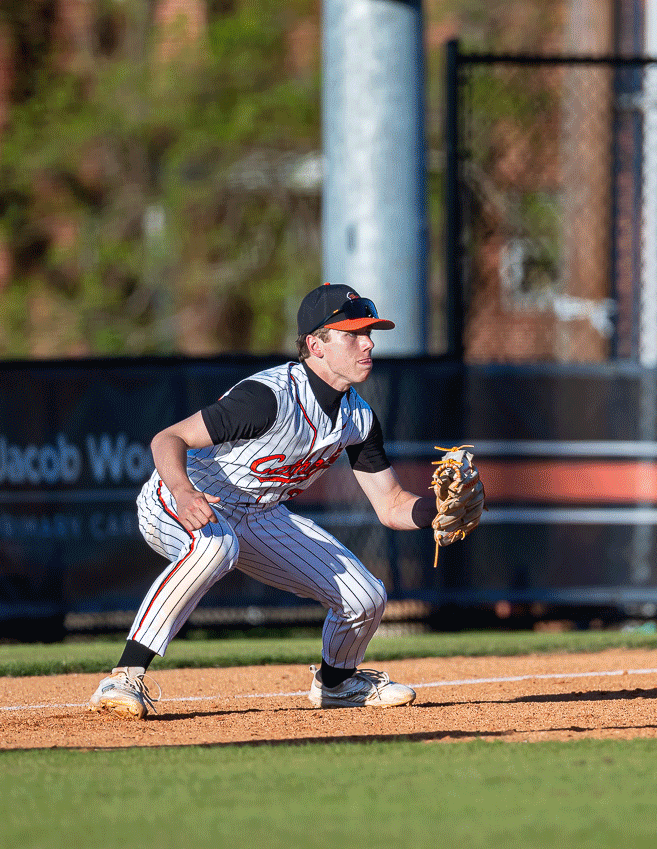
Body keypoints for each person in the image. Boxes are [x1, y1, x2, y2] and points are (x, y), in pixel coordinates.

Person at [89, 283, 440, 718]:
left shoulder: (358, 418)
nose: (367, 342)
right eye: (352, 333)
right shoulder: (270, 397)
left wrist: (438, 512)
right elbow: (169, 438)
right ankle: (124, 677)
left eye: (369, 332)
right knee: (216, 546)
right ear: (317, 344)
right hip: (181, 493)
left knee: (365, 596)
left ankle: (338, 683)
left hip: (257, 513)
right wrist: (182, 492)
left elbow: (391, 505)